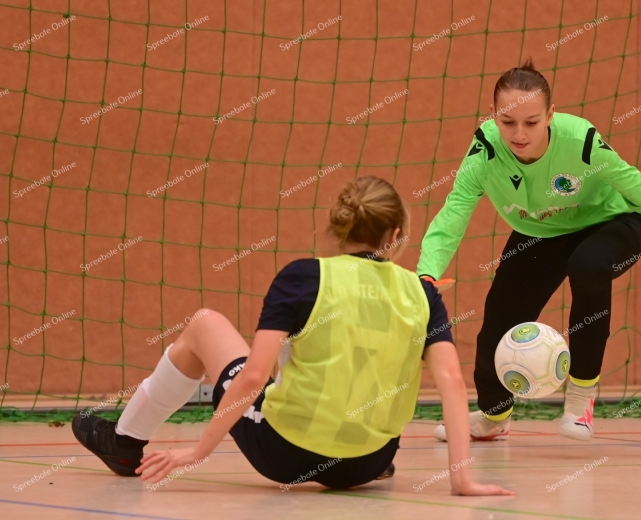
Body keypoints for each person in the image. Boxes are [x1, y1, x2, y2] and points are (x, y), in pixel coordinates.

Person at [72, 176, 512, 496]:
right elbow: (453, 382)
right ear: (395, 235)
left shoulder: (303, 277)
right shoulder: (422, 293)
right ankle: (361, 449)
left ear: (339, 227)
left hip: (285, 455)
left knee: (206, 323)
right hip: (368, 461)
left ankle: (126, 443)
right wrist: (462, 479)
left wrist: (196, 452)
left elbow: (253, 377)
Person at [418, 59, 641, 443]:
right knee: (494, 332)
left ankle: (581, 400)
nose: (519, 133)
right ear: (493, 115)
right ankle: (494, 416)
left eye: (532, 122)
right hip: (541, 233)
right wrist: (426, 275)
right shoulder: (485, 152)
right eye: (508, 122)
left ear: (551, 115)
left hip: (613, 223)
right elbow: (452, 215)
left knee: (588, 265)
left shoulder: (583, 144)